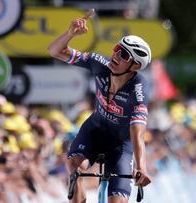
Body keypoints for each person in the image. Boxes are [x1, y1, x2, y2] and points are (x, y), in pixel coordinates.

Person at [48, 9, 152, 203]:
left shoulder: (138, 89)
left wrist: (141, 167)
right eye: (116, 48)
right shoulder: (99, 63)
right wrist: (70, 34)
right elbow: (54, 51)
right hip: (94, 132)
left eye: (123, 55)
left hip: (121, 146)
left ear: (135, 67)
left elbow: (138, 131)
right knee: (74, 165)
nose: (116, 55)